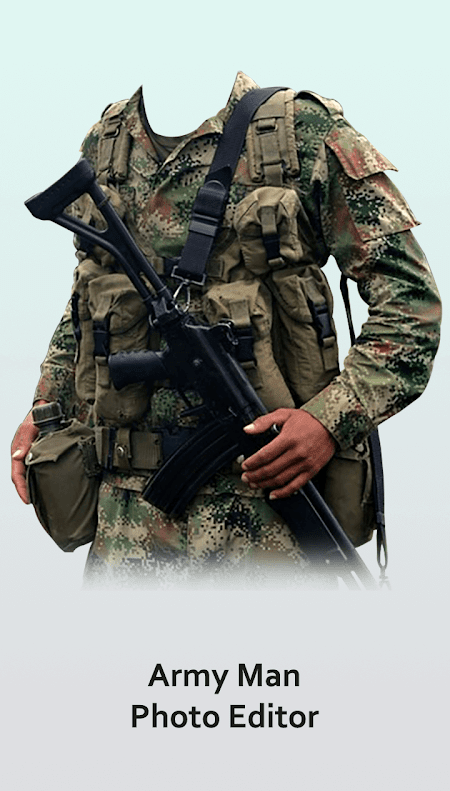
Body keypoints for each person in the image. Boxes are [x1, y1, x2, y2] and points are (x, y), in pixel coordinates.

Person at [11, 72, 441, 587]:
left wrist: (330, 420)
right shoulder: (107, 143)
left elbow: (412, 304)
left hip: (270, 520)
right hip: (127, 529)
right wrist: (47, 404)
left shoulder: (300, 132)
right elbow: (90, 295)